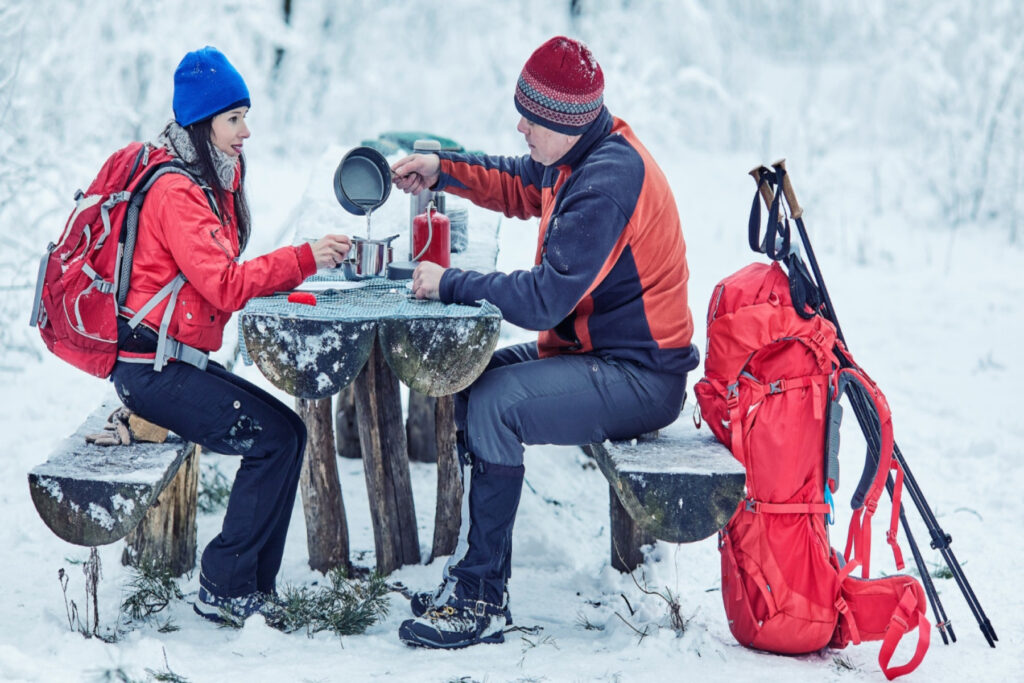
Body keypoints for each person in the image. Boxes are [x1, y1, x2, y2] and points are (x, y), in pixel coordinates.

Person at [391, 36, 699, 649]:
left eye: (531, 117)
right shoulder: (581, 157)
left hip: (640, 376)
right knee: (470, 380)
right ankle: (479, 575)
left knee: (498, 402)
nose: (521, 126)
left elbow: (543, 299)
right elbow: (516, 182)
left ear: (565, 121)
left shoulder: (607, 182)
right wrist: (442, 168)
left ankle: (481, 595)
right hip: (593, 353)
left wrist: (449, 281)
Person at [109, 46, 351, 626]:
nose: (247, 131)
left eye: (245, 115)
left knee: (288, 432)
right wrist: (304, 259)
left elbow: (218, 272)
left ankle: (250, 586)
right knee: (272, 441)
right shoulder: (177, 191)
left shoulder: (203, 178)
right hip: (152, 372)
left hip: (173, 361)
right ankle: (223, 583)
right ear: (202, 124)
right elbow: (222, 284)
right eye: (233, 119)